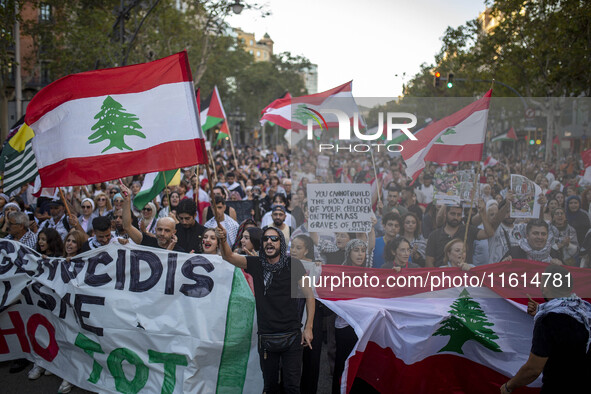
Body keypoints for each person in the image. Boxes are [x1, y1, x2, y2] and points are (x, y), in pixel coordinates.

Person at [215, 225, 315, 394]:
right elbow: (229, 256)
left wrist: (309, 328)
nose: (269, 241)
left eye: (274, 239)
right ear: (262, 244)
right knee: (270, 387)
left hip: (292, 336)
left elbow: (309, 295)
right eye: (266, 239)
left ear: (281, 244)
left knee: (292, 387)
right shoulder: (255, 263)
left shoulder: (294, 264)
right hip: (267, 337)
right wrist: (223, 239)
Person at [500, 265, 591, 393]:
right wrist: (541, 310)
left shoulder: (548, 321)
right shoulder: (585, 311)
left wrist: (509, 386)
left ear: (547, 287)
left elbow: (533, 369)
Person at [425, 202, 495, 267]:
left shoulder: (468, 230)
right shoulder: (434, 235)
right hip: (442, 277)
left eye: (459, 215)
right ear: (445, 214)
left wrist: (482, 214)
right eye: (452, 214)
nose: (456, 217)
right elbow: (429, 262)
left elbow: (489, 233)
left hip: (465, 276)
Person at [120, 184, 183, 251]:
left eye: (167, 230)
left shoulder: (180, 252)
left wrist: (170, 249)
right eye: (159, 229)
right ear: (155, 229)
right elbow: (127, 227)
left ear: (174, 232)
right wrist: (127, 200)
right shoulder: (148, 242)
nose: (162, 234)